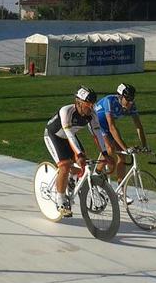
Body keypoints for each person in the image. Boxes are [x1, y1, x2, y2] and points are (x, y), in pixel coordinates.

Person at [44, 86, 114, 217]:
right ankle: (60, 201)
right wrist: (79, 155)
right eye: (88, 105)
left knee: (82, 164)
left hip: (69, 136)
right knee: (65, 166)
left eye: (93, 105)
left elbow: (97, 134)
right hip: (54, 135)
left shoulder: (92, 115)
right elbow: (69, 135)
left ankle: (71, 180)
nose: (91, 108)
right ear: (79, 103)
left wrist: (105, 154)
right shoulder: (66, 111)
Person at [94, 83, 149, 203]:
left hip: (108, 125)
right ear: (120, 97)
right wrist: (126, 147)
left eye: (132, 100)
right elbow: (111, 127)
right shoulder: (110, 101)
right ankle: (96, 175)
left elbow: (138, 126)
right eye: (128, 100)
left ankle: (120, 190)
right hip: (97, 123)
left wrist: (145, 146)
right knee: (110, 149)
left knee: (122, 154)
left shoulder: (131, 105)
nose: (130, 103)